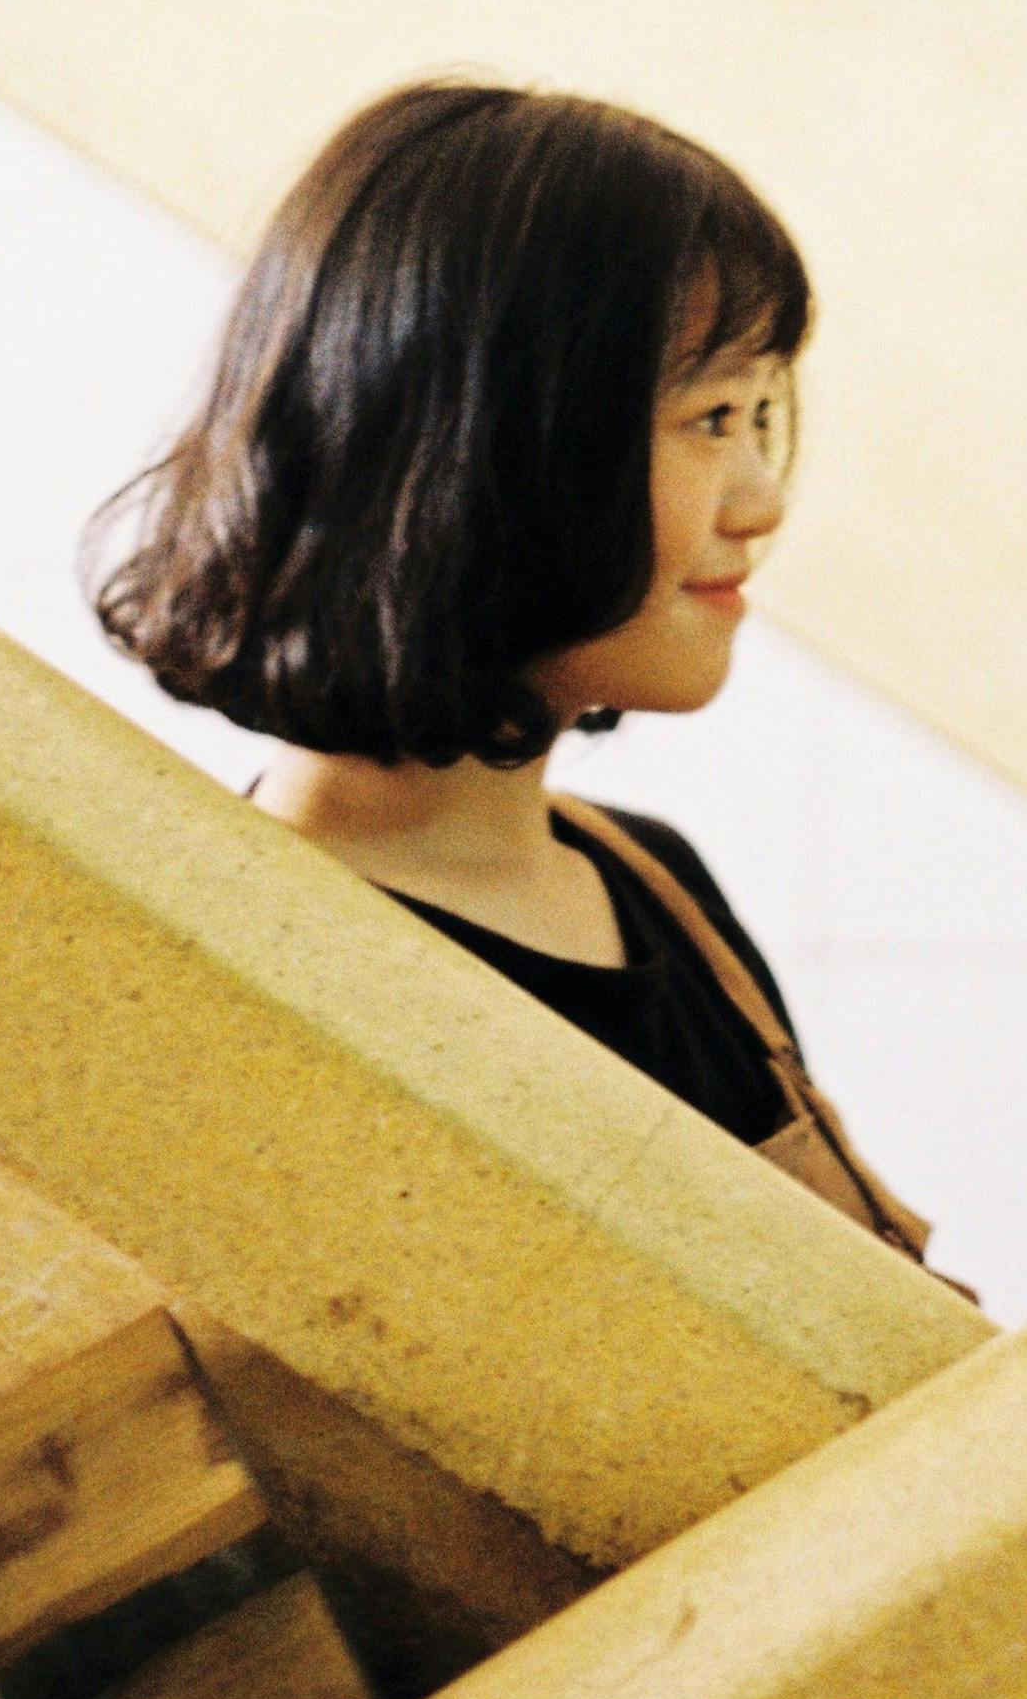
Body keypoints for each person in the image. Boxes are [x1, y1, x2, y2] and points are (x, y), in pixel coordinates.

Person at [89, 78, 934, 1259]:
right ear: (493, 452)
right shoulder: (262, 981)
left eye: (759, 415)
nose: (762, 499)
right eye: (708, 419)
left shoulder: (652, 880)